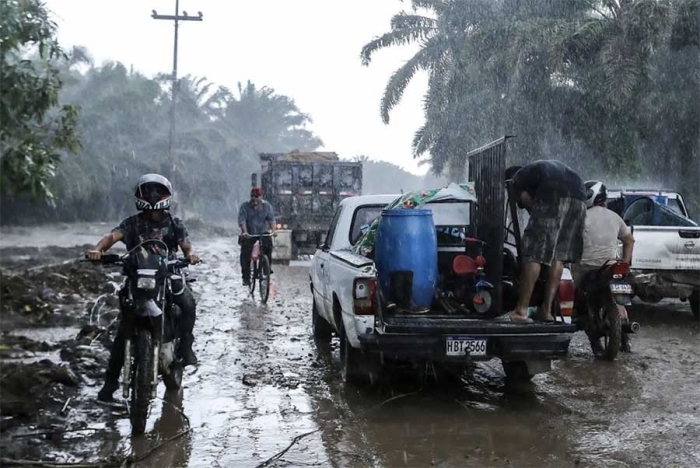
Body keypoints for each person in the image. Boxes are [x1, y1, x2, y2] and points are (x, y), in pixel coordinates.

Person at [87, 174, 200, 402]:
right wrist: (97, 249)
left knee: (188, 304)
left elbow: (186, 245)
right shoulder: (132, 223)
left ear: (165, 196)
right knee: (123, 331)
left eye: (156, 192)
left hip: (168, 276)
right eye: (148, 192)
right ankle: (109, 387)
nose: (152, 198)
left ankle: (186, 348)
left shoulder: (174, 223)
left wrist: (190, 255)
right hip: (137, 280)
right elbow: (112, 236)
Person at [507, 160, 587, 323]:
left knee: (534, 253)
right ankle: (546, 310)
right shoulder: (538, 170)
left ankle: (521, 311)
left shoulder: (516, 179)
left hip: (554, 194)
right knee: (558, 255)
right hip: (579, 198)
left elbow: (527, 201)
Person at [574, 180, 635, 349]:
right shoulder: (615, 217)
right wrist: (626, 262)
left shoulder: (580, 217)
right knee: (619, 299)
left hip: (586, 268)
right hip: (611, 266)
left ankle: (578, 321)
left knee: (572, 297)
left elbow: (569, 243)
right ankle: (626, 341)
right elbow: (629, 240)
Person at [238, 187, 275, 286]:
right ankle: (246, 277)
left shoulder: (267, 206)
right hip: (249, 234)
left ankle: (267, 268)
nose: (254, 199)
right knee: (245, 254)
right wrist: (245, 232)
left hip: (262, 233)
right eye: (252, 196)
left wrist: (274, 231)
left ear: (260, 197)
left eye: (256, 197)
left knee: (268, 245)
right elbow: (242, 221)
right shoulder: (245, 206)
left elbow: (271, 220)